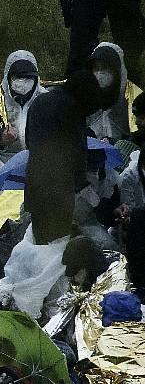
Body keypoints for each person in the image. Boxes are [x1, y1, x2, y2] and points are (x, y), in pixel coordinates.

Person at [25, 45, 121, 245]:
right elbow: (76, 162)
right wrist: (99, 204)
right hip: (59, 197)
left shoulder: (40, 102)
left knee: (41, 246)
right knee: (58, 249)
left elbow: (29, 142)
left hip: (34, 190)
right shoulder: (71, 112)